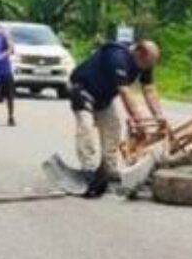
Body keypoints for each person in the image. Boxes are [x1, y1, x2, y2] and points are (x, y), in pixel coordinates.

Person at [68, 38, 165, 197]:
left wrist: (159, 117)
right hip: (83, 88)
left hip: (103, 96)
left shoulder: (145, 62)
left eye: (151, 64)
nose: (148, 67)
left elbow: (149, 89)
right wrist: (138, 119)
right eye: (147, 63)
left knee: (113, 128)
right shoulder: (118, 56)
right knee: (86, 126)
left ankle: (109, 170)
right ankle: (88, 170)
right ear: (138, 53)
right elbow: (125, 92)